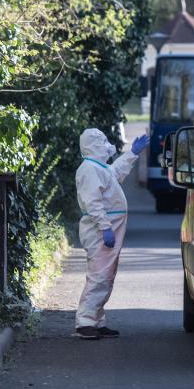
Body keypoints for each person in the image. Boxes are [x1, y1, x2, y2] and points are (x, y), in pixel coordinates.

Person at [75, 128, 149, 340]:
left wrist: (132, 153)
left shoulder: (99, 168)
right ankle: (85, 323)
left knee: (106, 275)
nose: (106, 144)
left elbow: (115, 174)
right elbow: (93, 202)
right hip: (100, 230)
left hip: (107, 228)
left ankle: (96, 321)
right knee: (99, 276)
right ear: (94, 144)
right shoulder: (89, 169)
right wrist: (105, 227)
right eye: (102, 141)